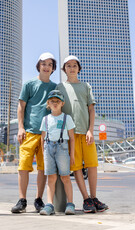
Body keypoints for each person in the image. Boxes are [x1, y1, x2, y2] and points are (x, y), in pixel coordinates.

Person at [57, 55, 108, 213]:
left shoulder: (86, 86)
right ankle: (86, 198)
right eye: (68, 65)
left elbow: (91, 109)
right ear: (64, 69)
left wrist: (90, 131)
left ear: (79, 68)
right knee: (77, 166)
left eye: (74, 65)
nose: (71, 68)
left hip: (86, 134)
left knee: (92, 165)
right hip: (70, 136)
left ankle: (94, 197)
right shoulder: (60, 87)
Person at [11, 52, 57, 213]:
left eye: (50, 64)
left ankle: (38, 200)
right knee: (23, 166)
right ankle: (22, 200)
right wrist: (21, 127)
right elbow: (21, 107)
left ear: (53, 69)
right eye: (43, 63)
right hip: (29, 132)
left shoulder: (54, 87)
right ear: (38, 66)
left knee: (43, 168)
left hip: (47, 135)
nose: (46, 67)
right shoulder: (29, 84)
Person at [39, 89, 75, 215]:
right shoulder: (46, 119)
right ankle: (49, 205)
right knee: (51, 177)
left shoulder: (67, 118)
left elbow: (72, 138)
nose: (55, 103)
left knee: (65, 177)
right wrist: (43, 154)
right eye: (52, 101)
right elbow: (42, 137)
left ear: (62, 103)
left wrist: (72, 155)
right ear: (48, 104)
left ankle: (70, 204)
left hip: (62, 147)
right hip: (48, 148)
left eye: (57, 101)